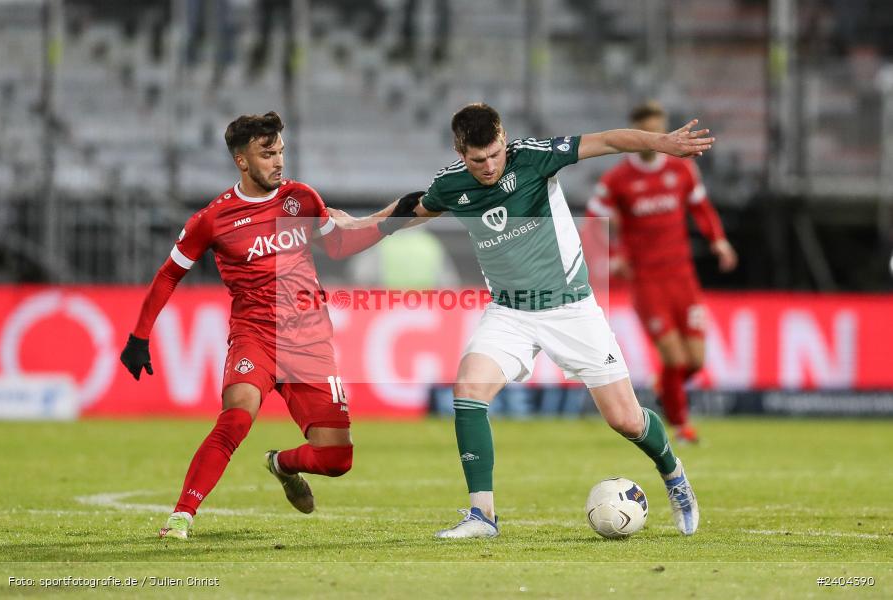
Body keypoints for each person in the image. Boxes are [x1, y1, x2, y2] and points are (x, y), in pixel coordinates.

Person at [374, 102, 714, 539]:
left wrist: (662, 143)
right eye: (477, 159)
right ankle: (482, 516)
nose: (489, 165)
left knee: (625, 420)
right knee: (468, 391)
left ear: (503, 138)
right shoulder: (451, 183)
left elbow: (608, 140)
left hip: (571, 308)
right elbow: (414, 209)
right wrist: (361, 224)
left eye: (495, 153)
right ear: (461, 152)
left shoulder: (534, 155)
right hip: (510, 311)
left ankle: (674, 476)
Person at [119, 111, 397, 540]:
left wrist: (394, 219)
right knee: (234, 419)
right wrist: (139, 336)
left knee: (337, 460)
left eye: (281, 152)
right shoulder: (212, 219)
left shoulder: (301, 199)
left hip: (310, 342)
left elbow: (339, 244)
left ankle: (282, 464)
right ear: (242, 161)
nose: (278, 162)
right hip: (256, 338)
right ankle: (181, 516)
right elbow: (169, 273)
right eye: (268, 154)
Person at [584, 101, 737, 444]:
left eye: (660, 131)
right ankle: (682, 426)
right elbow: (593, 223)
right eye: (648, 132)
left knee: (695, 362)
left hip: (682, 277)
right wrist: (613, 256)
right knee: (673, 357)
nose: (656, 138)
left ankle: (663, 390)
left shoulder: (681, 170)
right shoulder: (617, 180)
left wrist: (719, 241)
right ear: (638, 135)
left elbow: (701, 207)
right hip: (647, 281)